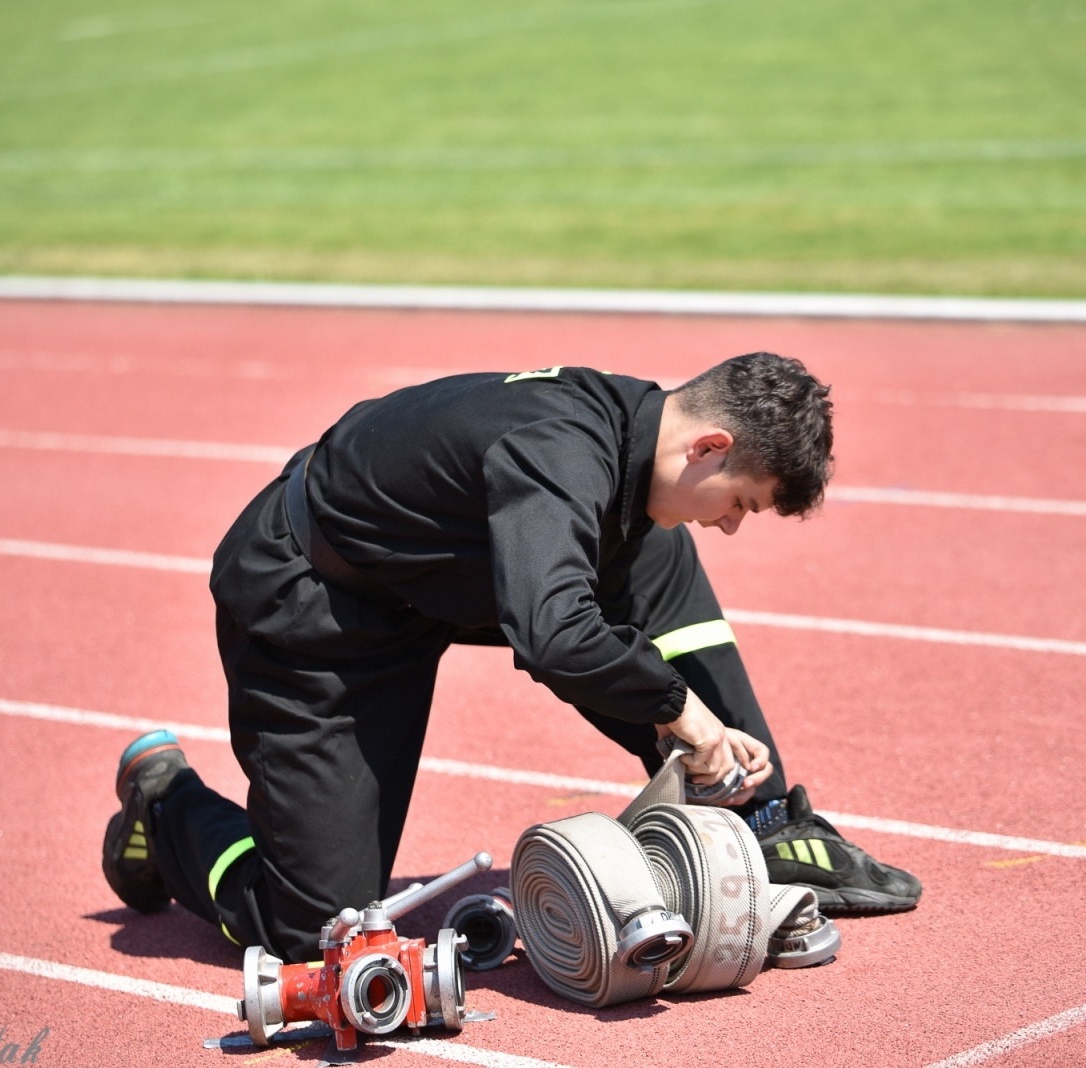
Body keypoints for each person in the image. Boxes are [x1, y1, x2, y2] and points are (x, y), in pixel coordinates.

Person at [101, 352, 921, 962]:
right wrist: (681, 711)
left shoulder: (634, 439)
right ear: (708, 446)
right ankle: (166, 805)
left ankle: (757, 815)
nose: (733, 524)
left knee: (655, 554)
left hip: (429, 579)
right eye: (740, 502)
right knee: (318, 932)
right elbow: (554, 633)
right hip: (316, 608)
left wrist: (706, 738)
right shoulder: (562, 454)